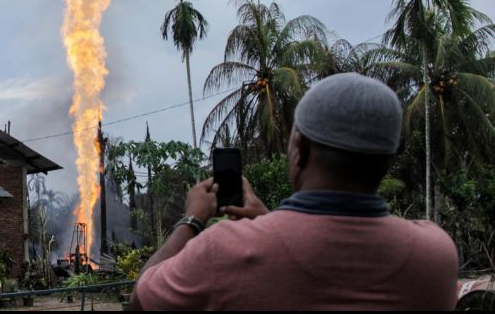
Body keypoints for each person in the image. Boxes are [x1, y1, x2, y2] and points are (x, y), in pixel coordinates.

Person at [131, 73, 459, 310]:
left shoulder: (226, 250)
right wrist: (269, 221)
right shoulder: (435, 253)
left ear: (299, 149)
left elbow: (141, 300)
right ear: (389, 159)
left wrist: (192, 218)